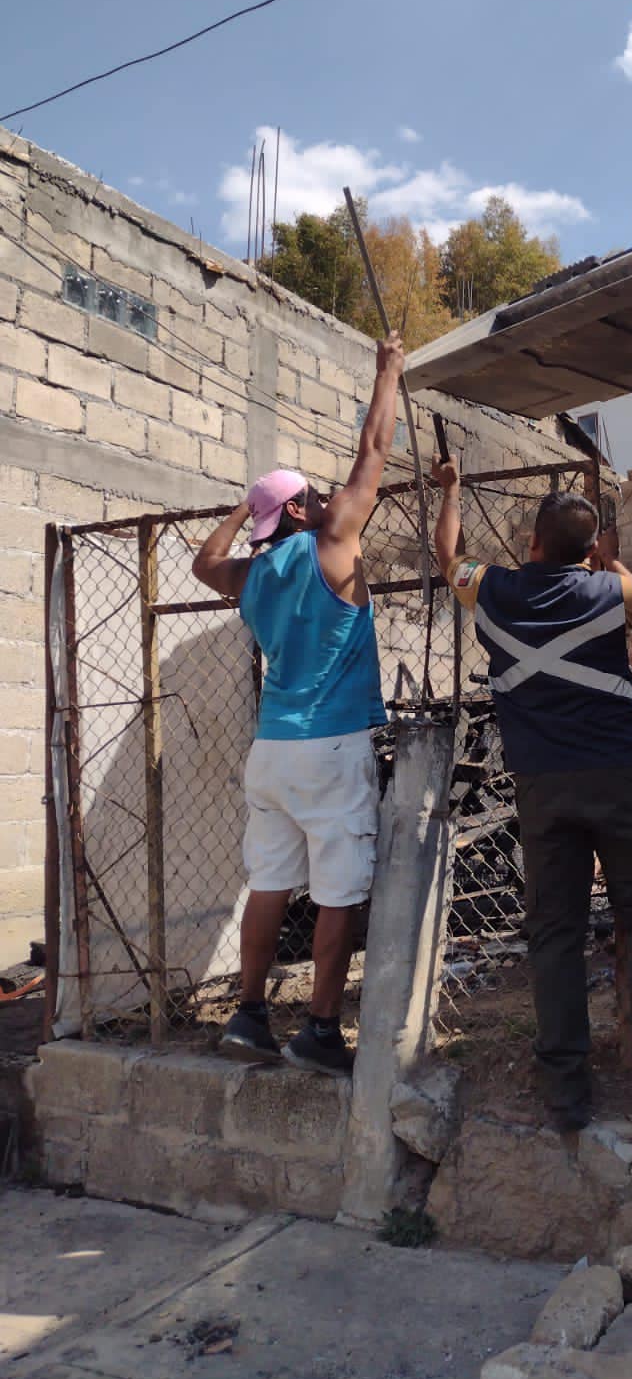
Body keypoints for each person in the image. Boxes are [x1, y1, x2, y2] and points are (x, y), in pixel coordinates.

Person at [431, 455, 632, 1133]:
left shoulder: (490, 589)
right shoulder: (610, 592)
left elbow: (448, 557)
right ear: (589, 549)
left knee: (553, 932)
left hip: (542, 787)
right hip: (617, 776)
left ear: (531, 542)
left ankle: (565, 1090)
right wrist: (608, 564)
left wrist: (453, 489)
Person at [192, 331, 406, 1075]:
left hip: (272, 752)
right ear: (300, 510)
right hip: (330, 744)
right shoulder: (330, 543)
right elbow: (374, 451)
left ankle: (250, 1016)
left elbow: (202, 561)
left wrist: (245, 511)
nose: (323, 498)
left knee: (270, 884)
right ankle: (318, 1028)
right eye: (308, 496)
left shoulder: (250, 577)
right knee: (339, 891)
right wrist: (389, 370)